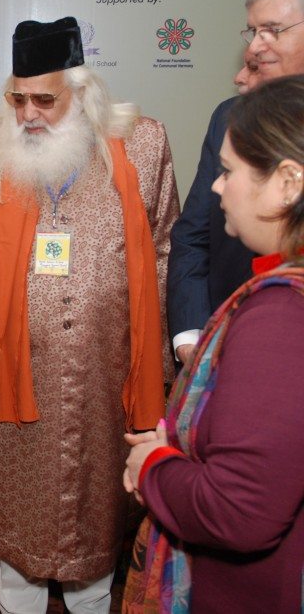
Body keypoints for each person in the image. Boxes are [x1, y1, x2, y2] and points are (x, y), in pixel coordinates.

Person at [0, 16, 178, 613]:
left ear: (83, 91)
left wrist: (162, 361)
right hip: (18, 386)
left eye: (45, 99)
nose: (28, 114)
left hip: (105, 381)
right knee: (18, 555)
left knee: (94, 543)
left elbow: (166, 247)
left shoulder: (142, 145)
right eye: (18, 99)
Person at [123, 75, 304, 614]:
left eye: (229, 171)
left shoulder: (281, 318)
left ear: (289, 182)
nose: (218, 188)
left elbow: (237, 510)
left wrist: (153, 466)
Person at [168, 0, 304, 365]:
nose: (255, 45)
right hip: (228, 342)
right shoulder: (228, 118)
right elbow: (193, 235)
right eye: (254, 30)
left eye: (272, 30)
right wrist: (192, 334)